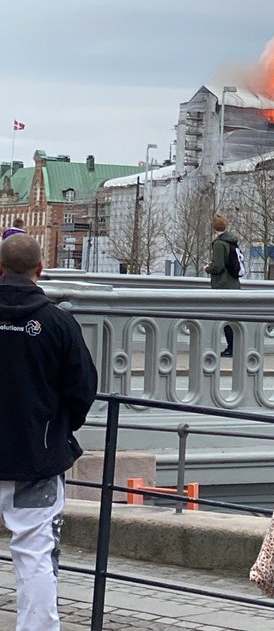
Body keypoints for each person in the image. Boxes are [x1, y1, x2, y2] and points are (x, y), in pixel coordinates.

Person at [0, 233, 97, 631]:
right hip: (35, 456)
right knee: (35, 553)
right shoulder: (58, 322)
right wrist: (58, 430)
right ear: (40, 270)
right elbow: (82, 389)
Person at [205, 213, 242, 357]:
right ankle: (234, 345)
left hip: (223, 284)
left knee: (225, 317)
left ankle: (231, 347)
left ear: (213, 227)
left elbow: (218, 266)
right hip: (234, 283)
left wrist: (208, 268)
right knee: (232, 318)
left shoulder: (219, 244)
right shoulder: (232, 241)